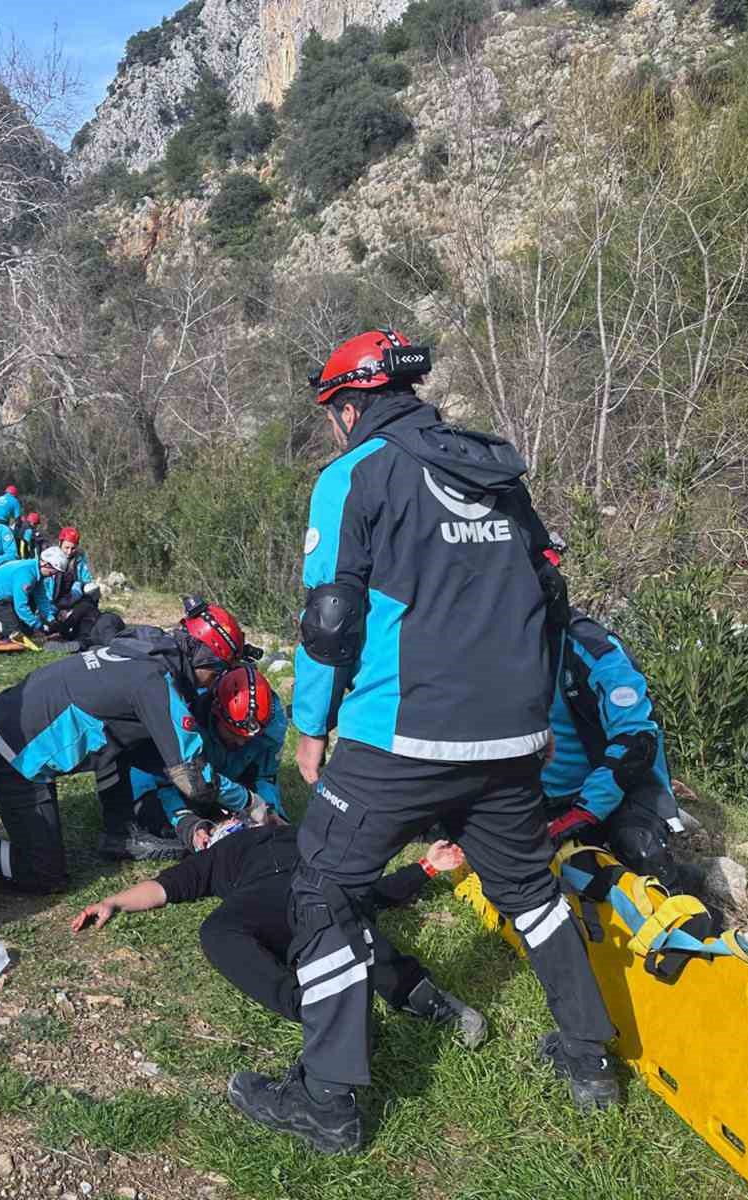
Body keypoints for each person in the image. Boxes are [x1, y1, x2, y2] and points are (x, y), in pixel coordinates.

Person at [226, 329, 617, 1155]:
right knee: (532, 895)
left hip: (397, 737)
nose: (334, 424)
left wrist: (309, 725)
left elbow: (332, 615)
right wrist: (536, 722)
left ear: (351, 403)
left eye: (333, 409)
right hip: (512, 737)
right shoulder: (495, 468)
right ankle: (591, 1062)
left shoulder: (355, 473)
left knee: (323, 893)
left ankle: (327, 1101)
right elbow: (550, 596)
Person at [72, 834, 486, 1047]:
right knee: (217, 931)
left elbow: (372, 890)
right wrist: (113, 901)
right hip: (261, 900)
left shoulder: (308, 830)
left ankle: (418, 993)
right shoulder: (219, 856)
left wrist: (426, 867)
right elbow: (163, 888)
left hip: (319, 884)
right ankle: (315, 1009)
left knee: (345, 907)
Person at [0, 598, 250, 891]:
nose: (212, 682)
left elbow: (154, 752)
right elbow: (193, 780)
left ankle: (119, 835)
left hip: (11, 718)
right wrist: (249, 802)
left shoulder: (149, 649)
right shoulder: (154, 683)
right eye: (217, 671)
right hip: (11, 756)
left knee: (129, 734)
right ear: (204, 657)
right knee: (45, 873)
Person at [544, 608, 693, 893]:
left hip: (624, 785)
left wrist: (585, 812)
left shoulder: (591, 647)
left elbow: (637, 740)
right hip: (549, 794)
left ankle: (679, 907)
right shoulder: (497, 648)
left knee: (639, 848)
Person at [131, 661, 288, 849]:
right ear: (216, 714)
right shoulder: (184, 719)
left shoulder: (272, 726)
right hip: (167, 778)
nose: (240, 743)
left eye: (247, 739)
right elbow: (162, 779)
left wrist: (269, 810)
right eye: (233, 734)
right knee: (152, 816)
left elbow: (266, 776)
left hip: (223, 781)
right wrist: (187, 823)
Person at [0, 548, 66, 644]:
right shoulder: (26, 576)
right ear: (46, 564)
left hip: (5, 596)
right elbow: (21, 606)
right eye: (53, 572)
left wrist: (51, 619)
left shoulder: (37, 570)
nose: (52, 576)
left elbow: (41, 598)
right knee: (15, 633)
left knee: (26, 630)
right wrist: (38, 626)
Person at [51, 526, 103, 645]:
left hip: (73, 599)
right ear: (60, 544)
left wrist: (77, 588)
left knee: (90, 594)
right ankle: (60, 631)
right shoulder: (51, 559)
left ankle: (79, 634)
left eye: (73, 548)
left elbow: (87, 580)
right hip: (54, 600)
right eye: (66, 547)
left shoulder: (80, 560)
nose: (69, 552)